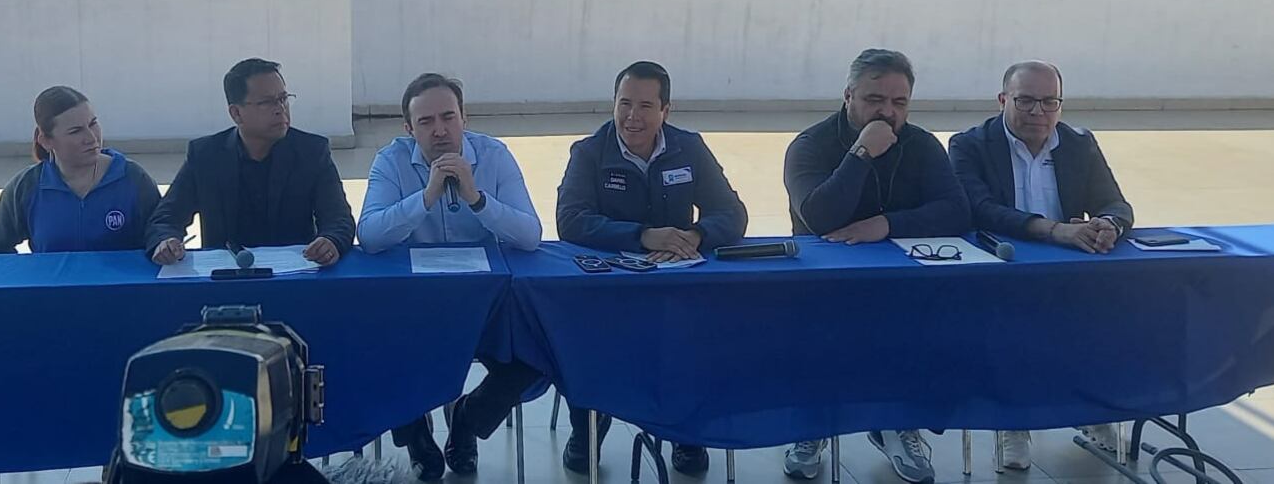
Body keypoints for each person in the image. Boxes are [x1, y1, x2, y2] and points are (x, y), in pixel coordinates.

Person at [782, 49, 970, 484]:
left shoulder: (921, 144)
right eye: (874, 99)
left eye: (899, 103)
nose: (887, 111)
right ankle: (814, 425)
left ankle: (898, 424)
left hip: (902, 281)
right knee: (823, 338)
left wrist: (886, 224)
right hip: (821, 281)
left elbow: (957, 211)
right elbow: (819, 216)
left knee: (923, 327)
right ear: (848, 96)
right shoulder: (809, 146)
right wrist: (861, 153)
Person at [556, 60, 748, 477]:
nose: (632, 116)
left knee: (700, 335)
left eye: (645, 106)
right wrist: (642, 235)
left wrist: (695, 236)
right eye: (624, 104)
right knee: (580, 336)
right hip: (608, 287)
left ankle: (686, 430)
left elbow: (732, 213)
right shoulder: (589, 152)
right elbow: (570, 220)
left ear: (666, 110)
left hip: (674, 283)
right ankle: (588, 425)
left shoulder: (689, 148)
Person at [359, 73, 543, 480]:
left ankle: (468, 419)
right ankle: (416, 433)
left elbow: (530, 235)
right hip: (414, 299)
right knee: (375, 346)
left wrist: (477, 198)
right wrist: (425, 196)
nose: (440, 130)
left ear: (465, 118)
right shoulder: (390, 160)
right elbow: (369, 237)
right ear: (409, 129)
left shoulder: (494, 156)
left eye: (449, 117)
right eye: (425, 122)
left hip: (486, 299)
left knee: (538, 347)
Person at [949, 60, 1133, 468]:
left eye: (1050, 102)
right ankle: (1013, 423)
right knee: (1013, 329)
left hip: (1067, 273)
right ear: (1003, 100)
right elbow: (979, 209)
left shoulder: (1078, 143)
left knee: (1117, 312)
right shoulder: (969, 145)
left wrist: (1110, 224)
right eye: (1026, 101)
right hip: (998, 269)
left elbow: (1115, 201)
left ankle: (1089, 409)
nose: (1038, 112)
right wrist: (1052, 230)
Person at [146, 58, 354, 266]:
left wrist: (331, 241)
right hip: (227, 279)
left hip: (296, 276)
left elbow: (339, 219)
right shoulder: (205, 156)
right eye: (267, 102)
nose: (280, 109)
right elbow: (165, 219)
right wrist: (166, 242)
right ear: (236, 113)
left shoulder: (312, 152)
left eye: (283, 99)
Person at [0, 85, 162, 254]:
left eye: (93, 124)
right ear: (46, 141)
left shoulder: (133, 178)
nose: (91, 138)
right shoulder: (26, 187)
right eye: (76, 131)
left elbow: (161, 232)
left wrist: (165, 244)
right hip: (53, 286)